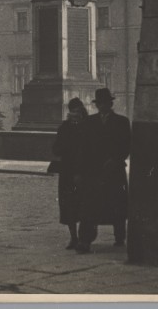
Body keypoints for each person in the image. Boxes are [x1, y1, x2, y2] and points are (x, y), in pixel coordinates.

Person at [76, 88, 131, 253]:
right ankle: (84, 240)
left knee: (117, 205)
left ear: (110, 104)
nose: (102, 106)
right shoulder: (89, 122)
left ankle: (119, 236)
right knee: (90, 206)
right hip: (93, 171)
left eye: (106, 103)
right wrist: (79, 172)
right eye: (100, 103)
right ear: (97, 105)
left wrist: (115, 159)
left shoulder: (122, 121)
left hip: (114, 170)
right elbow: (83, 149)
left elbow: (126, 145)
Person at [52, 97, 88, 249]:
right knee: (69, 206)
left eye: (77, 111)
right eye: (72, 111)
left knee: (84, 205)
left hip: (84, 172)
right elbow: (56, 148)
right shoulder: (65, 127)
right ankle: (74, 237)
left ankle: (83, 237)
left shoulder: (88, 127)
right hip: (67, 172)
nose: (75, 114)